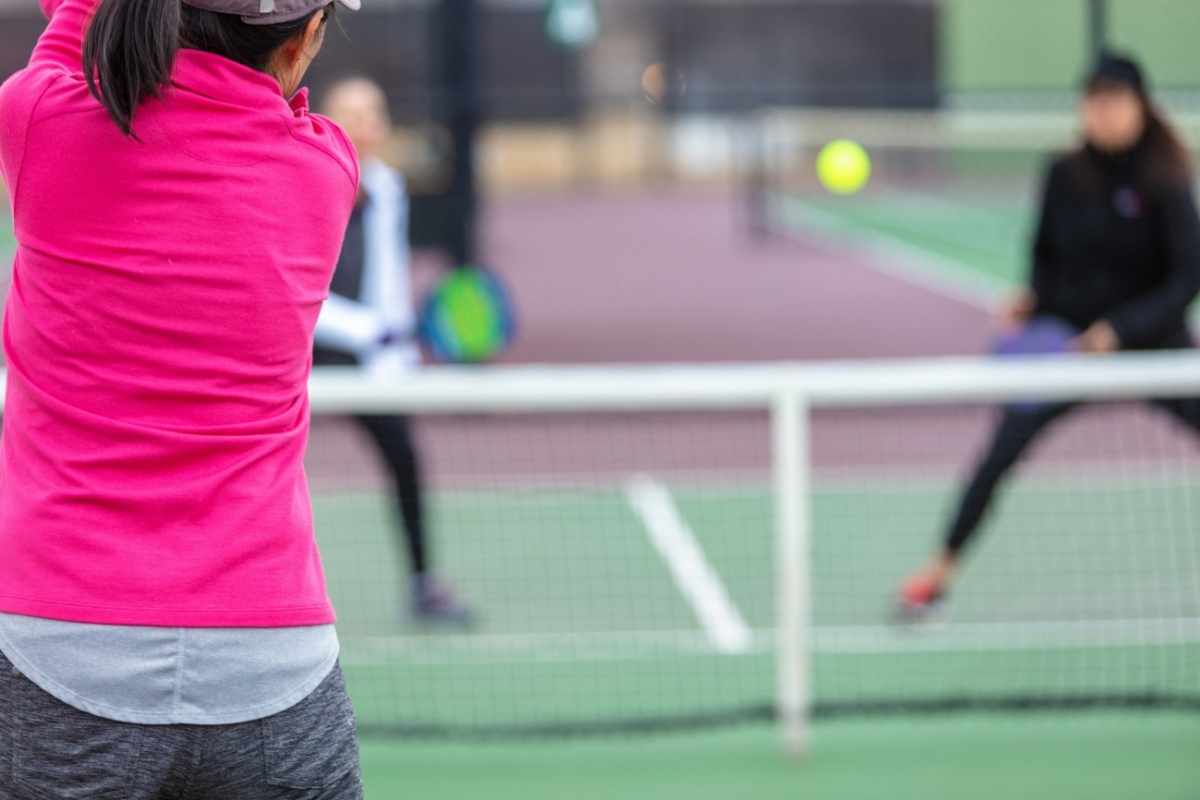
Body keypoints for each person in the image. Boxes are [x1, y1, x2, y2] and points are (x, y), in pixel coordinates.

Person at [0, 0, 366, 797]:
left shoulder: (42, 123)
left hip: (60, 644)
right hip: (272, 657)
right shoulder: (325, 170)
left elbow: (67, 48)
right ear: (304, 39)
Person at [898, 52, 1200, 619]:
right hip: (1071, 346)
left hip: (1153, 344)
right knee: (1001, 449)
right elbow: (1044, 256)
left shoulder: (1166, 178)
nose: (1103, 112)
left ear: (1141, 106)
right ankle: (939, 568)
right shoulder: (1063, 174)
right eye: (1094, 101)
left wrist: (1122, 329)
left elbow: (1188, 276)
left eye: (1115, 100)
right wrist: (1033, 300)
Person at [316, 76, 473, 624]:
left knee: (405, 460)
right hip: (297, 360)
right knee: (257, 471)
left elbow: (386, 278)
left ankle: (424, 585)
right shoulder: (306, 183)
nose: (366, 124)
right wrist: (367, 331)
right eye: (352, 112)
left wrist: (397, 348)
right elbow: (300, 294)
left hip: (367, 364)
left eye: (374, 112)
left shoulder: (387, 188)